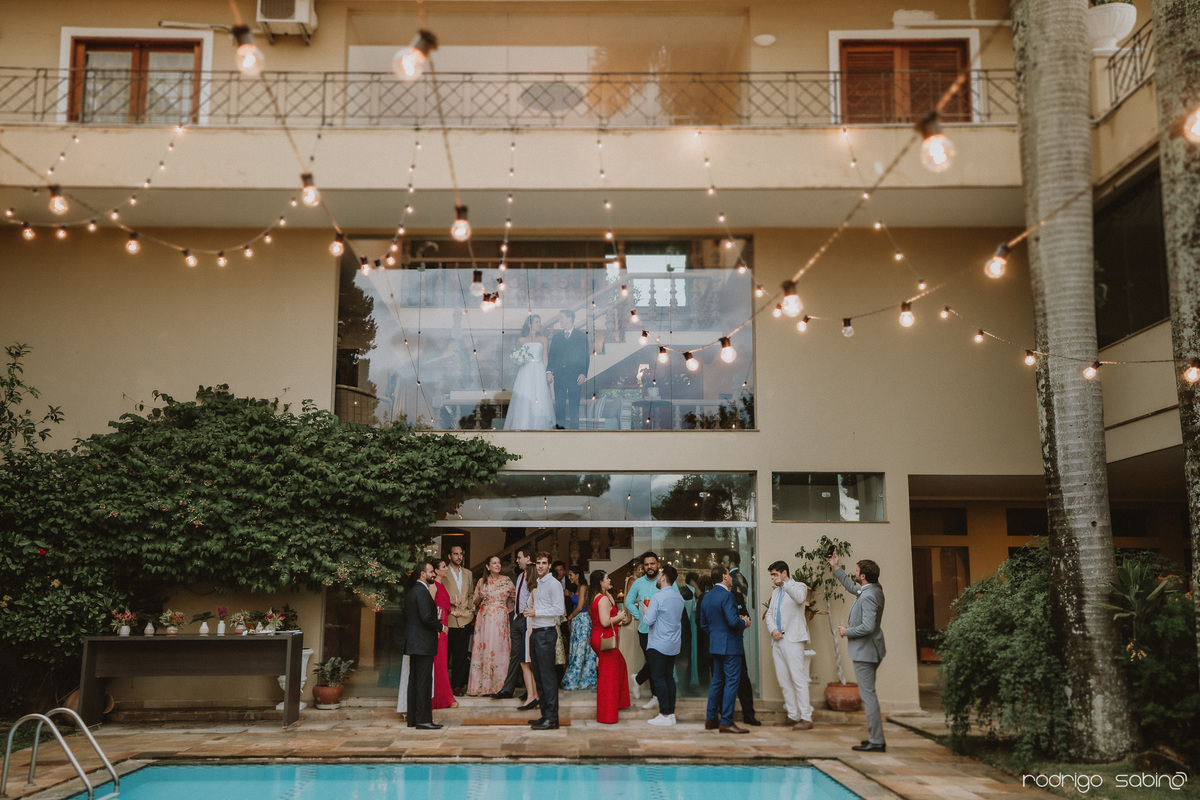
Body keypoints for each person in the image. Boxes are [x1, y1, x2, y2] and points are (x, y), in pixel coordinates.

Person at [829, 552, 887, 752]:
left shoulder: (869, 596)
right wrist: (836, 567)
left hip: (866, 652)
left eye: (856, 571)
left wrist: (847, 632)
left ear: (863, 576)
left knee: (868, 696)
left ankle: (877, 741)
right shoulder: (873, 589)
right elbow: (851, 587)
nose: (854, 573)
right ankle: (875, 737)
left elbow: (868, 627)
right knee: (869, 694)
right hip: (871, 649)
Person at [698, 565, 752, 734]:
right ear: (724, 577)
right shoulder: (728, 596)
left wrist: (716, 636)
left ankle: (711, 719)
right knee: (731, 683)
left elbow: (703, 624)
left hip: (715, 646)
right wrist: (745, 622)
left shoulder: (706, 597)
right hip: (731, 646)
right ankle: (727, 721)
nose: (731, 578)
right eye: (729, 575)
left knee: (717, 682)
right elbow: (733, 622)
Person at [766, 560, 812, 729]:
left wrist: (785, 584)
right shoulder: (776, 592)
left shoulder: (799, 586)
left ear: (784, 573)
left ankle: (806, 718)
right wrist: (773, 630)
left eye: (775, 574)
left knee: (798, 679)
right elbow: (769, 614)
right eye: (771, 575)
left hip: (793, 640)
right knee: (784, 681)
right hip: (777, 640)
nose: (772, 578)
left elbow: (799, 598)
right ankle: (793, 715)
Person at [525, 552, 566, 730]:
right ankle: (545, 715)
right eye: (538, 563)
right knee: (539, 677)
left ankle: (552, 719)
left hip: (547, 633)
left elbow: (559, 610)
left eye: (544, 563)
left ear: (549, 565)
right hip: (536, 632)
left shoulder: (554, 584)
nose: (540, 566)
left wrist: (536, 612)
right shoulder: (539, 583)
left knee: (548, 677)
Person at [492, 550, 537, 709]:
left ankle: (532, 692)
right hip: (517, 618)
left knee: (528, 658)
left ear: (528, 558)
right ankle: (508, 689)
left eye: (519, 557)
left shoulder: (534, 575)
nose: (517, 560)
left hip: (527, 619)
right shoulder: (519, 576)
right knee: (516, 655)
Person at [403, 561, 444, 730]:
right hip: (423, 643)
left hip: (414, 642)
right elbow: (426, 617)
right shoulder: (421, 591)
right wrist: (441, 627)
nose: (434, 574)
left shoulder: (412, 591)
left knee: (414, 681)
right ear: (422, 574)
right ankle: (423, 720)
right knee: (423, 682)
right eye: (431, 571)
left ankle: (413, 718)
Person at [643, 563, 684, 726]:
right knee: (669, 678)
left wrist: (645, 611)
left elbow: (648, 620)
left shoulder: (657, 597)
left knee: (659, 678)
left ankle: (665, 714)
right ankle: (671, 713)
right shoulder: (679, 598)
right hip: (673, 644)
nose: (657, 578)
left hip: (658, 643)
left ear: (664, 577)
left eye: (659, 575)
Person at [466, 555, 514, 696]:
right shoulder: (482, 581)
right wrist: (480, 597)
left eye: (499, 563)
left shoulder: (507, 581)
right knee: (485, 648)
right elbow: (475, 603)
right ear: (488, 566)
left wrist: (505, 609)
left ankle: (500, 687)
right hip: (485, 620)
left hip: (500, 619)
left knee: (499, 649)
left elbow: (515, 599)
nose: (497, 565)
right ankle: (482, 687)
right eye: (494, 563)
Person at [588, 569, 631, 723]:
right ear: (601, 582)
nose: (610, 580)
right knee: (608, 677)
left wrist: (607, 591)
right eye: (607, 578)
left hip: (598, 637)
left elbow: (610, 605)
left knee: (620, 665)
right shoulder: (602, 599)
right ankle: (607, 715)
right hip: (604, 639)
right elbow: (605, 621)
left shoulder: (599, 596)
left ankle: (618, 703)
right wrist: (619, 616)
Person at [624, 551, 661, 709]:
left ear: (658, 564)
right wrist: (639, 616)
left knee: (656, 662)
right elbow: (628, 601)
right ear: (643, 567)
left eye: (652, 564)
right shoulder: (638, 583)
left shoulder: (665, 580)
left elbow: (675, 599)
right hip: (645, 630)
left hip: (662, 630)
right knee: (653, 662)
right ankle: (655, 696)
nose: (649, 567)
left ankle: (638, 679)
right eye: (646, 564)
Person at [506, 314, 555, 430]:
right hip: (525, 371)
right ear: (529, 324)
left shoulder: (543, 339)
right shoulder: (521, 340)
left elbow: (545, 357)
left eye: (539, 322)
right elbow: (515, 356)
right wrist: (519, 359)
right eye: (537, 322)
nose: (539, 324)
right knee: (525, 396)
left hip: (539, 370)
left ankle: (539, 426)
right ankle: (523, 426)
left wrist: (547, 372)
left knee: (539, 396)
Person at [546, 308, 589, 429]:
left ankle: (574, 434)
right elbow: (551, 356)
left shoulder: (581, 336)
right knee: (559, 406)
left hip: (575, 377)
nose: (559, 320)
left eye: (561, 317)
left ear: (569, 318)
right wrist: (549, 372)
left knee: (574, 407)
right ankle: (560, 433)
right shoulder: (556, 337)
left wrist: (583, 373)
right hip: (559, 376)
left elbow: (585, 357)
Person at [560, 565, 597, 690]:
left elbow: (580, 607)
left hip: (582, 620)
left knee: (580, 649)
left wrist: (569, 617)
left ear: (577, 575)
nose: (569, 577)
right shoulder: (578, 587)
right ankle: (579, 677)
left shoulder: (583, 587)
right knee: (576, 648)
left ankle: (579, 679)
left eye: (571, 575)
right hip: (578, 620)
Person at [444, 544, 474, 694]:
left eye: (461, 554)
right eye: (455, 554)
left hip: (464, 618)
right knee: (445, 654)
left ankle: (458, 685)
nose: (459, 557)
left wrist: (470, 610)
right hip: (448, 618)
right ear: (449, 556)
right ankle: (443, 686)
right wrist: (449, 602)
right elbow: (438, 593)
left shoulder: (468, 573)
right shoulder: (444, 572)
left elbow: (471, 594)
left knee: (461, 655)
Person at [431, 558, 457, 709]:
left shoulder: (441, 585)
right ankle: (440, 698)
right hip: (439, 628)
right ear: (436, 571)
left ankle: (444, 697)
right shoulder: (433, 585)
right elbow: (431, 608)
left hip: (444, 626)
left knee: (442, 662)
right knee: (438, 662)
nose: (446, 568)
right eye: (443, 566)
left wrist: (453, 612)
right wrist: (437, 627)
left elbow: (441, 607)